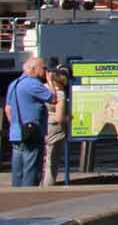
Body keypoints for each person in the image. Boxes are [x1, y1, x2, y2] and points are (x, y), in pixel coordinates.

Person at [5, 58, 55, 187]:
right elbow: (53, 98)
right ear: (33, 69)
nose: (45, 71)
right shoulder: (33, 84)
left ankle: (16, 197)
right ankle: (28, 196)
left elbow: (8, 109)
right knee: (31, 171)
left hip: (16, 134)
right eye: (43, 68)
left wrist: (16, 126)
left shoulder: (14, 84)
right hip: (32, 134)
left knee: (18, 171)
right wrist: (50, 81)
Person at [40, 69, 70, 186]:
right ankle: (47, 187)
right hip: (55, 128)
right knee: (51, 164)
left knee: (42, 160)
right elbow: (59, 117)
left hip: (42, 126)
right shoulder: (60, 93)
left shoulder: (42, 88)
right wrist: (69, 118)